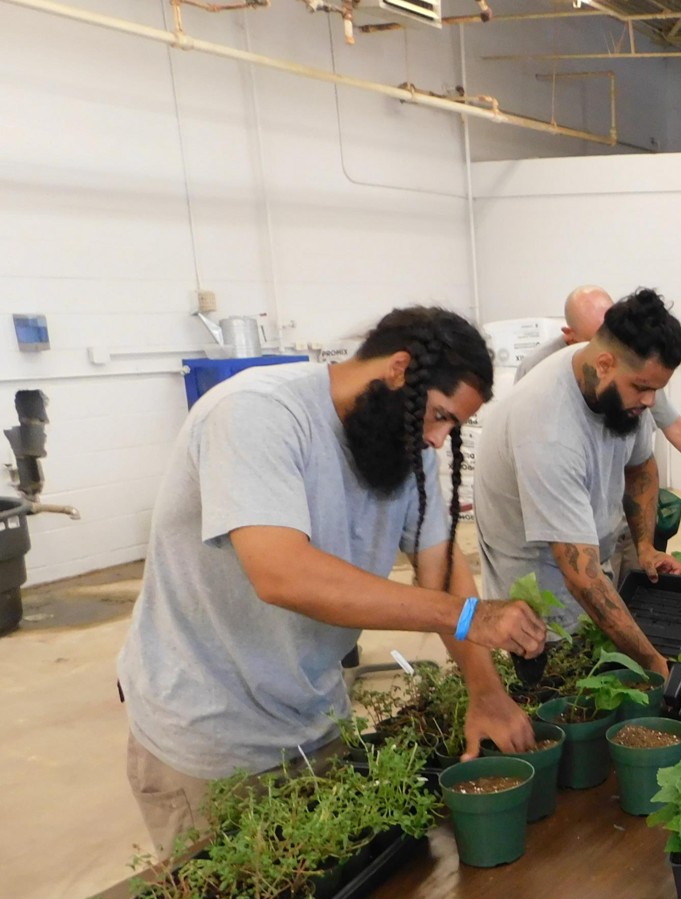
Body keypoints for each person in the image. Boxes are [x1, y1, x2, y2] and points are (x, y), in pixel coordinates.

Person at [118, 307, 547, 855]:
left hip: (315, 721)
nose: (440, 440)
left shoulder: (401, 445)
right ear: (398, 370)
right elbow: (282, 574)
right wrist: (465, 616)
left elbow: (441, 566)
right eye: (439, 416)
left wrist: (486, 691)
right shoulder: (258, 413)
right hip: (210, 734)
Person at [472, 289, 681, 677]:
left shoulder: (621, 393)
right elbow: (581, 578)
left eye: (657, 388)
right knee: (559, 687)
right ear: (604, 363)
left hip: (583, 558)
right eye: (642, 387)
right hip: (537, 585)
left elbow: (641, 467)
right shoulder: (547, 429)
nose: (651, 401)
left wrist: (645, 546)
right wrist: (656, 665)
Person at [517, 286, 681, 515]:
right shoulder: (538, 372)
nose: (647, 400)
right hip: (565, 505)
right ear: (570, 336)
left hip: (618, 504)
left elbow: (676, 428)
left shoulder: (635, 373)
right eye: (595, 342)